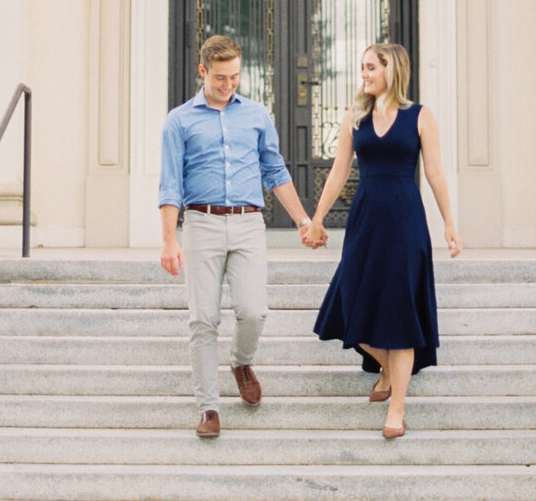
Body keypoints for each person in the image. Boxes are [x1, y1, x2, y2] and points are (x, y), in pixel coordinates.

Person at [159, 34, 317, 438]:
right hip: (201, 223)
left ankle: (241, 360)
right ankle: (208, 407)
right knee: (203, 319)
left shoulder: (257, 115)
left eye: (234, 77)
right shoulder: (179, 121)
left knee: (253, 311)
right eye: (219, 78)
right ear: (202, 72)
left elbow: (276, 172)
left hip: (248, 224)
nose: (228, 85)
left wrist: (303, 221)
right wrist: (168, 240)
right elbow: (170, 184)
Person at [305, 41, 461, 438]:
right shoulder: (354, 117)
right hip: (365, 221)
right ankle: (388, 369)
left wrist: (449, 223)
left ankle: (396, 409)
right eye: (363, 67)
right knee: (349, 300)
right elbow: (339, 172)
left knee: (401, 312)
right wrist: (317, 219)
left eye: (371, 67)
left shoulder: (421, 116)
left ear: (392, 70)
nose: (365, 74)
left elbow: (436, 174)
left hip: (406, 222)